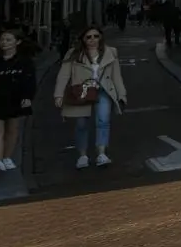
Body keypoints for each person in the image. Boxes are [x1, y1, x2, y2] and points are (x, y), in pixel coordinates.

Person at [51, 26, 127, 170]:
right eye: (88, 37)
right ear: (83, 39)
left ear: (101, 37)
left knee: (103, 121)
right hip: (82, 91)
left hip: (103, 90)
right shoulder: (73, 54)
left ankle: (101, 153)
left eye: (96, 36)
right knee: (81, 124)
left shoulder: (110, 52)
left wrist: (121, 94)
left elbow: (117, 76)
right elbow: (63, 75)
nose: (92, 40)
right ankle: (82, 155)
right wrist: (58, 94)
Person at [0, 27, 35, 173]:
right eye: (2, 39)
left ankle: (6, 157)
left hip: (15, 99)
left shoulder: (24, 62)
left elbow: (29, 81)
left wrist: (27, 97)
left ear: (18, 42)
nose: (4, 42)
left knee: (12, 129)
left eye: (8, 39)